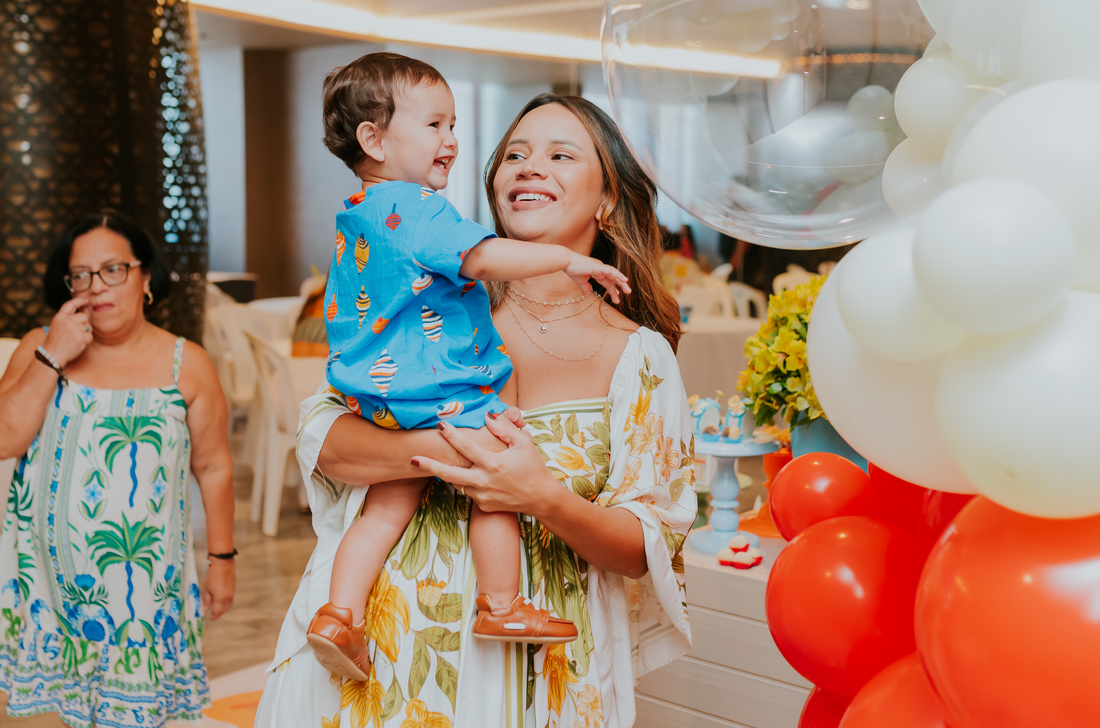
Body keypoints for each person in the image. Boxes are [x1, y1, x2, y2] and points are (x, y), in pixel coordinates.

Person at [255, 93, 696, 728]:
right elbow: (325, 440)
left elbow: (644, 546)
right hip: (383, 659)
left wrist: (541, 496)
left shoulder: (640, 355)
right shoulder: (426, 308)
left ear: (607, 198)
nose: (529, 166)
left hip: (540, 679)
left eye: (561, 155)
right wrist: (452, 451)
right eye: (515, 154)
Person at [305, 53, 631, 682]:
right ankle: (502, 604)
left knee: (385, 509)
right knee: (497, 471)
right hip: (437, 389)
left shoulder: (358, 211)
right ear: (374, 139)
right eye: (435, 125)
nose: (452, 140)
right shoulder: (419, 207)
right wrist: (565, 259)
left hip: (377, 394)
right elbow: (480, 258)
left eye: (453, 125)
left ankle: (339, 614)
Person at [0, 211, 236, 727]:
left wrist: (222, 559)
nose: (96, 286)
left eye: (113, 270)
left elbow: (214, 466)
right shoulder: (39, 346)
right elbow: (4, 439)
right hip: (49, 590)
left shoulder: (188, 364)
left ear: (145, 276)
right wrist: (52, 355)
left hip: (142, 595)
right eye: (80, 275)